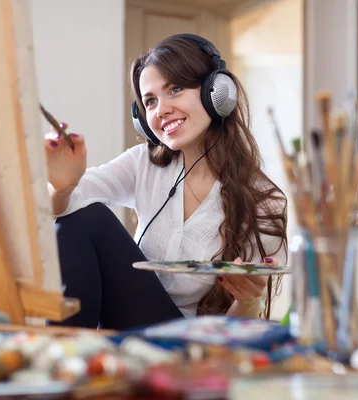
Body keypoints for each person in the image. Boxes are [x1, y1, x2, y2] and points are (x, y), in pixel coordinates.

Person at [45, 33, 288, 330]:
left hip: (194, 343)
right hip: (125, 326)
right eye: (150, 101)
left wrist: (249, 300)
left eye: (175, 89)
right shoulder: (142, 163)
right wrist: (61, 186)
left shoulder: (263, 200)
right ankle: (64, 356)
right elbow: (58, 209)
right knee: (81, 217)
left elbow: (232, 335)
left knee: (87, 217)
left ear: (217, 92)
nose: (160, 110)